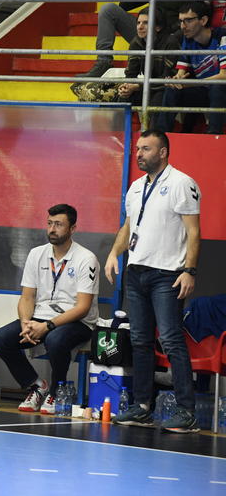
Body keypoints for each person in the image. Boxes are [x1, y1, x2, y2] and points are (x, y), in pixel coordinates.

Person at [106, 129, 201, 433]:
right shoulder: (135, 187)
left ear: (163, 152)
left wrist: (189, 270)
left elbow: (194, 232)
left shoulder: (182, 183)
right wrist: (114, 253)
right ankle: (142, 407)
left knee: (171, 340)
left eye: (146, 149)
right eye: (137, 148)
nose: (139, 154)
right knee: (140, 341)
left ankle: (186, 411)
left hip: (168, 274)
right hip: (136, 272)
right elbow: (128, 226)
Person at [0, 204, 99, 414]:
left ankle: (57, 390)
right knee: (1, 338)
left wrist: (47, 326)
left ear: (73, 229)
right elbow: (27, 297)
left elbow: (83, 307)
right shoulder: (36, 254)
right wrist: (25, 322)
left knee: (55, 339)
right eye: (49, 223)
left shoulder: (86, 259)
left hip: (77, 321)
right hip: (41, 317)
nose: (52, 229)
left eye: (58, 224)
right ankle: (36, 385)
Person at [78, 0, 204, 78]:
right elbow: (125, 4)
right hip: (150, 33)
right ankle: (103, 62)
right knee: (108, 10)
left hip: (174, 38)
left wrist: (168, 39)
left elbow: (193, 20)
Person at [157, 2, 226, 134]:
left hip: (222, 92)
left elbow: (224, 76)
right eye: (181, 21)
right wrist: (176, 80)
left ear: (203, 20)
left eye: (188, 20)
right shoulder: (187, 40)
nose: (183, 26)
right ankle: (161, 134)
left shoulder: (222, 36)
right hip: (204, 91)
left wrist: (189, 83)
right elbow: (181, 73)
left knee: (217, 87)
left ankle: (213, 135)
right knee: (172, 89)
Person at [117, 7, 179, 114]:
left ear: (158, 27)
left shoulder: (170, 42)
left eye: (146, 23)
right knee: (123, 97)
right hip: (145, 87)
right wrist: (126, 87)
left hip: (163, 88)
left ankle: (153, 125)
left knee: (159, 98)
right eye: (138, 23)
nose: (140, 27)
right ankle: (120, 125)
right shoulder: (136, 43)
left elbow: (168, 79)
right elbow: (131, 73)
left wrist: (138, 86)